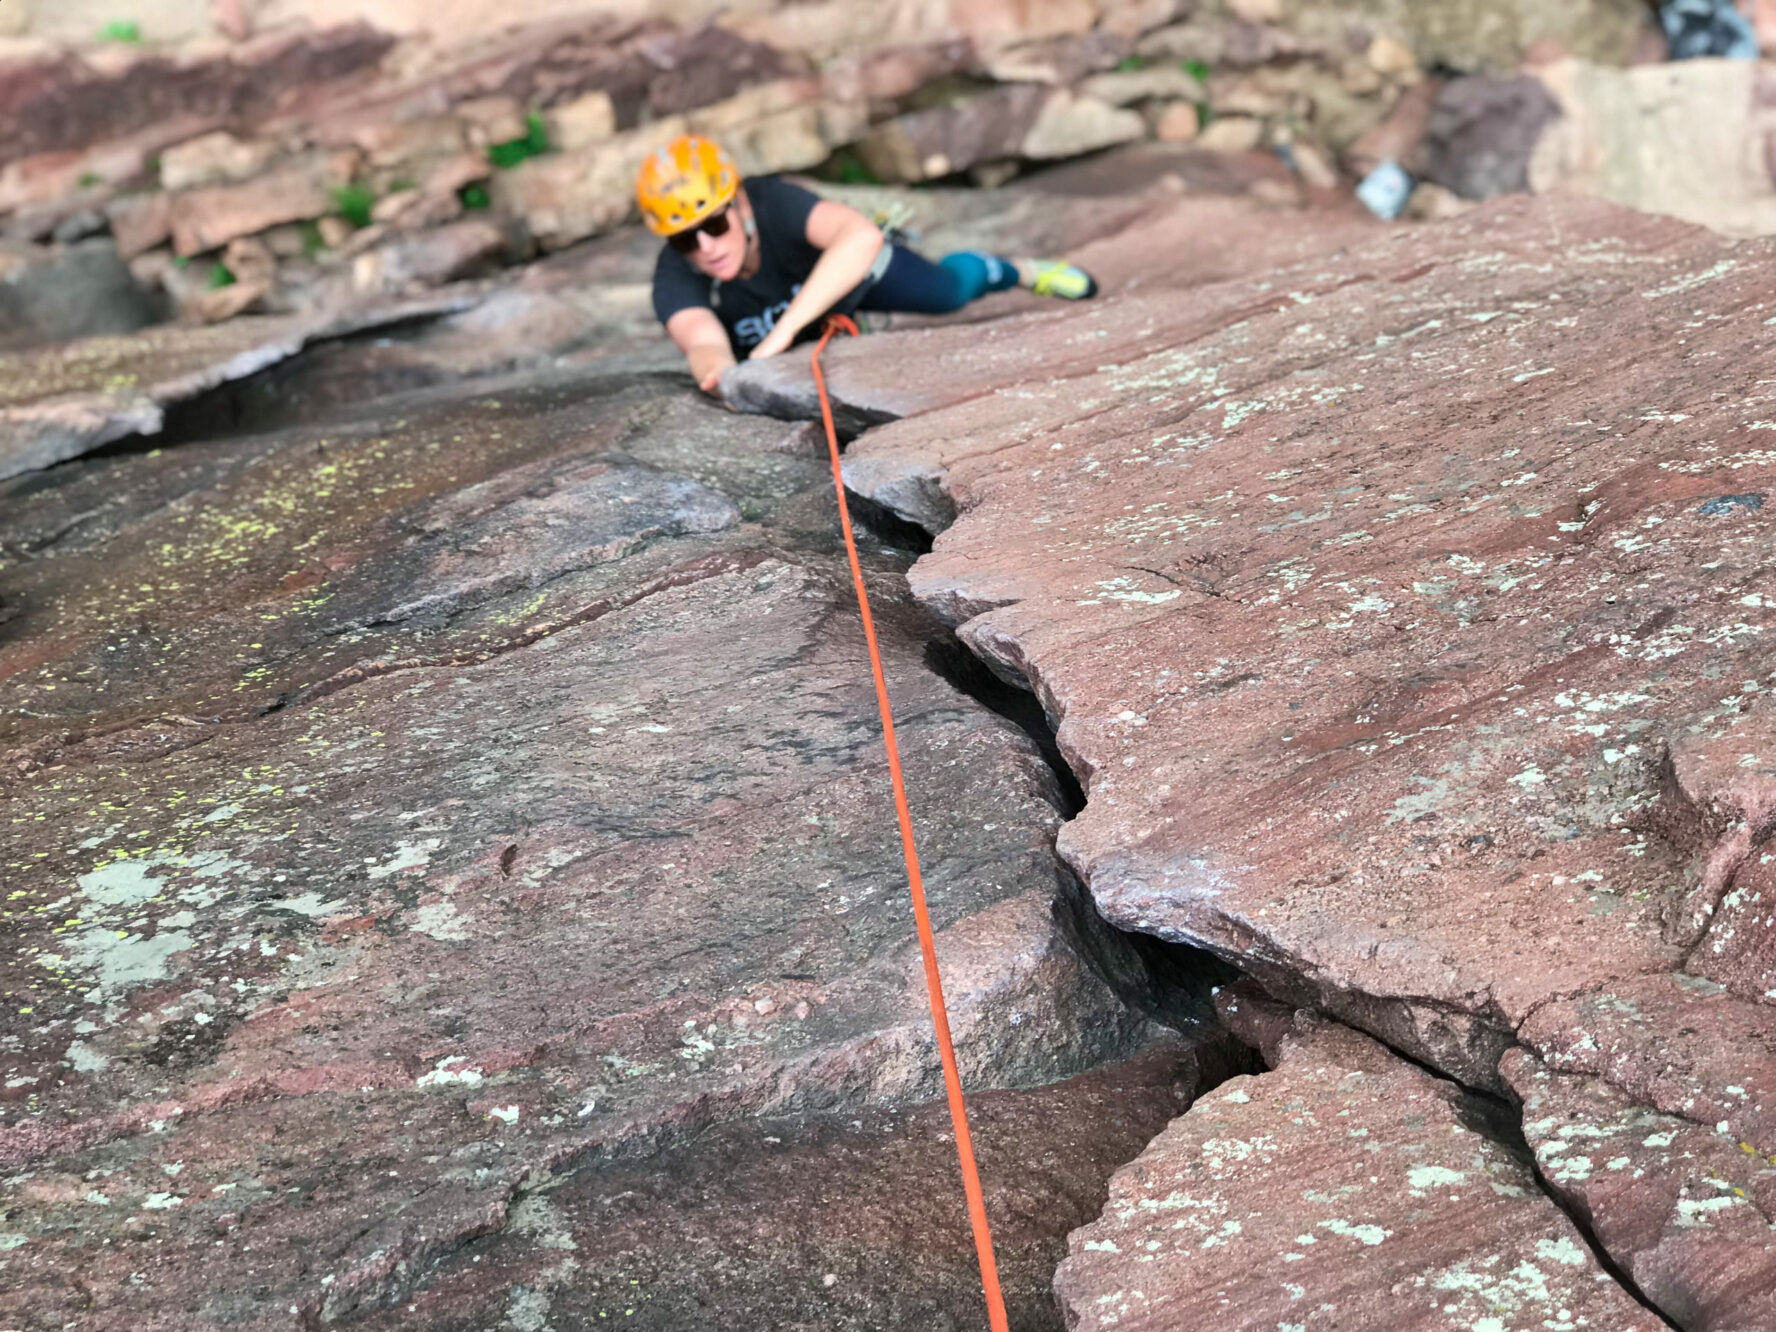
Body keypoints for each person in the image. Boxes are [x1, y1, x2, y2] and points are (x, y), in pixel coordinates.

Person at [638, 134, 1100, 395]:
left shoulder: (774, 202)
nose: (705, 247)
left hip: (849, 283)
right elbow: (700, 339)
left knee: (948, 292)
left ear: (739, 204)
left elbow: (860, 236)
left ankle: (1016, 270)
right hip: (800, 335)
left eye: (715, 224)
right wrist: (719, 373)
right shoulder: (674, 274)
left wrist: (778, 336)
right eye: (684, 238)